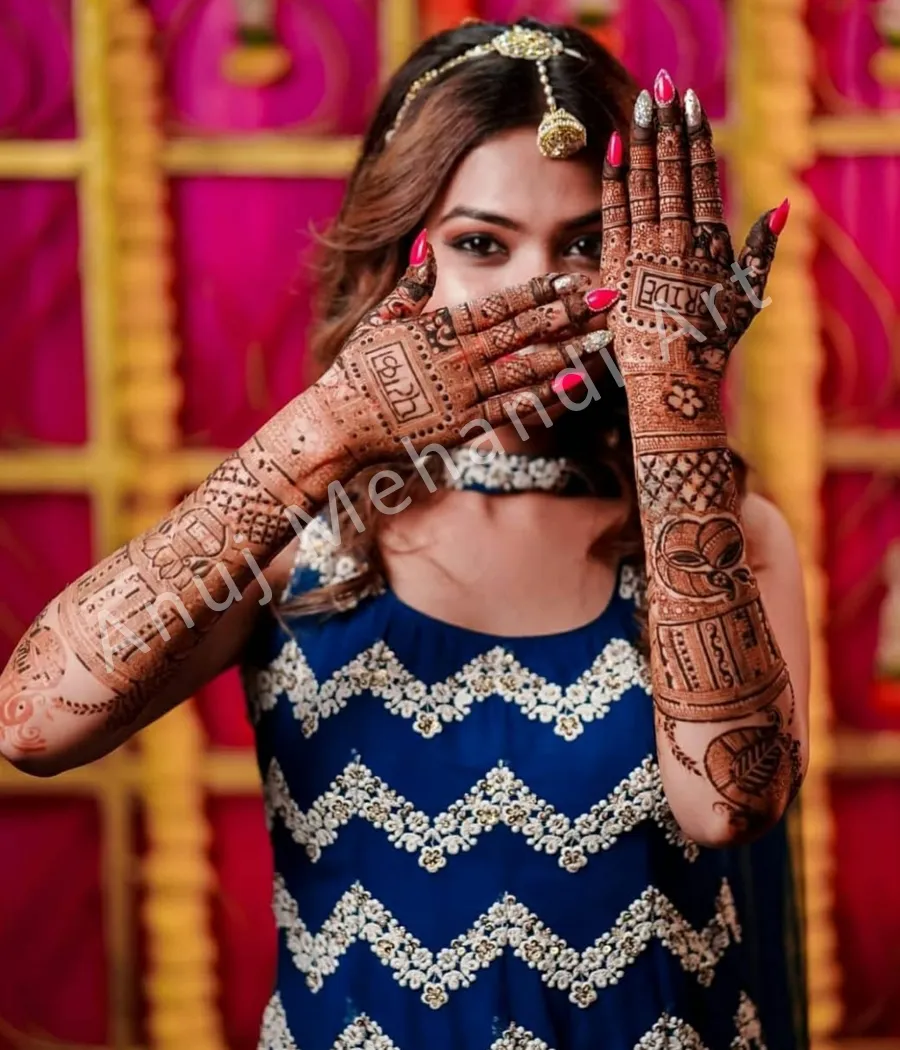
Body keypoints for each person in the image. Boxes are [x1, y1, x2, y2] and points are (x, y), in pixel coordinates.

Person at [0, 17, 810, 1050]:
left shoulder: (723, 527)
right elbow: (31, 727)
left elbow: (728, 807)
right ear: (395, 254)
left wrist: (672, 409)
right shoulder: (307, 530)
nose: (538, 295)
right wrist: (325, 432)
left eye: (586, 250)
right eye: (480, 244)